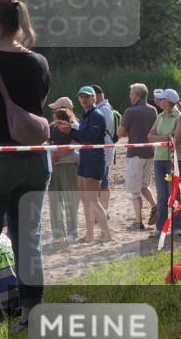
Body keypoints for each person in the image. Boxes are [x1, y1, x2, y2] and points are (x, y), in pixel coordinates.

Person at [0, 0, 52, 329]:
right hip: (36, 161)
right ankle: (30, 315)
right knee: (28, 240)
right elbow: (39, 104)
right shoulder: (40, 62)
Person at [57, 86, 111, 243]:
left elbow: (90, 138)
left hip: (94, 160)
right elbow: (83, 139)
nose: (83, 99)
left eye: (87, 96)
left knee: (92, 199)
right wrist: (70, 130)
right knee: (85, 199)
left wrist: (71, 131)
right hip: (85, 159)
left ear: (94, 98)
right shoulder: (85, 114)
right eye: (81, 96)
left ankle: (106, 235)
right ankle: (90, 235)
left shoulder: (97, 115)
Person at [119, 83, 158, 231]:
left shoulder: (130, 111)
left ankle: (138, 221)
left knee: (135, 191)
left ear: (137, 95)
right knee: (144, 186)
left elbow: (121, 132)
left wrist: (122, 129)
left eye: (131, 93)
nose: (129, 96)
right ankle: (155, 207)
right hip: (149, 152)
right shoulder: (153, 110)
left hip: (135, 153)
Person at [148, 88, 181, 237]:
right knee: (162, 195)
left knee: (173, 194)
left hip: (174, 161)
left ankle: (177, 227)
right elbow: (149, 136)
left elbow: (176, 141)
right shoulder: (160, 116)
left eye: (162, 99)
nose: (159, 101)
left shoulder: (179, 116)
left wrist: (164, 138)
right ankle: (160, 227)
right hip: (159, 160)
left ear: (169, 101)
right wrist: (164, 138)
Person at [45, 99, 78, 247]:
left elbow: (74, 144)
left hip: (68, 164)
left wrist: (58, 154)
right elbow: (46, 142)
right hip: (54, 165)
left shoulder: (74, 125)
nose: (53, 112)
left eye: (57, 109)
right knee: (54, 201)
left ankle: (72, 233)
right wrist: (52, 156)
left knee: (70, 200)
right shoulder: (52, 126)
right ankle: (57, 234)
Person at [92, 84, 116, 218]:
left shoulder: (104, 109)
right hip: (102, 150)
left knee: (103, 182)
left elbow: (101, 129)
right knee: (101, 181)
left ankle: (104, 211)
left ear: (97, 96)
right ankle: (102, 211)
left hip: (104, 150)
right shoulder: (103, 108)